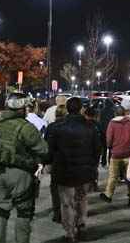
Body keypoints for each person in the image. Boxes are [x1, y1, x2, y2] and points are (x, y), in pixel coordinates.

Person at [0, 93, 48, 243]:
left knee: (1, 209)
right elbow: (43, 150)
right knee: (24, 212)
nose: (27, 110)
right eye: (26, 107)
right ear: (21, 108)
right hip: (21, 174)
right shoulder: (26, 127)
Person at [47, 97, 101, 242]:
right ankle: (81, 225)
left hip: (64, 171)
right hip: (84, 172)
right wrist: (93, 166)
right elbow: (97, 150)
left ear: (67, 109)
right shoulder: (91, 127)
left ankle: (70, 232)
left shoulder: (56, 127)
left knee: (67, 203)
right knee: (82, 199)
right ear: (81, 109)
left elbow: (50, 150)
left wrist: (49, 163)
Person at [100, 105, 130, 207]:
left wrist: (110, 147)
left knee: (113, 176)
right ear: (124, 113)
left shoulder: (112, 124)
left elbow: (108, 141)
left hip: (116, 154)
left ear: (115, 114)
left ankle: (108, 195)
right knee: (129, 177)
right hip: (128, 154)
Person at [44, 105, 67, 224]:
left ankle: (57, 213)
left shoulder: (51, 127)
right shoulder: (69, 127)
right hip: (68, 162)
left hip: (55, 162)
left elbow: (47, 145)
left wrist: (46, 161)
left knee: (55, 189)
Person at [98, 98, 115, 167]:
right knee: (111, 148)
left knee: (104, 148)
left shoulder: (102, 111)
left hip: (103, 131)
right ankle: (110, 161)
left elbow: (100, 121)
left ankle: (103, 162)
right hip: (110, 131)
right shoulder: (112, 111)